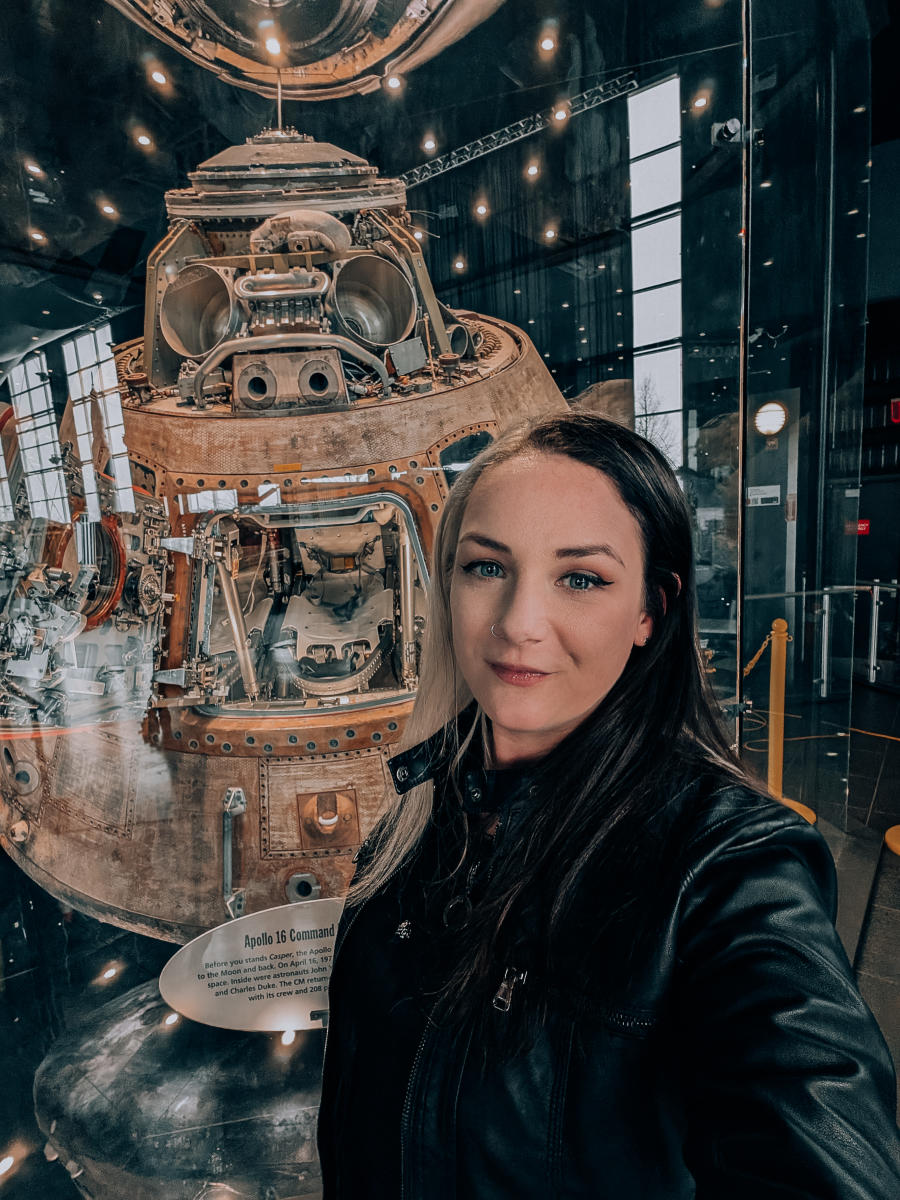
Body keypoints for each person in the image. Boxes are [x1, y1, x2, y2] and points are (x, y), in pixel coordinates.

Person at [317, 411, 900, 1198]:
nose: (520, 624)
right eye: (487, 568)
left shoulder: (727, 865)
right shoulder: (416, 820)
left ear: (650, 612)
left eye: (581, 579)